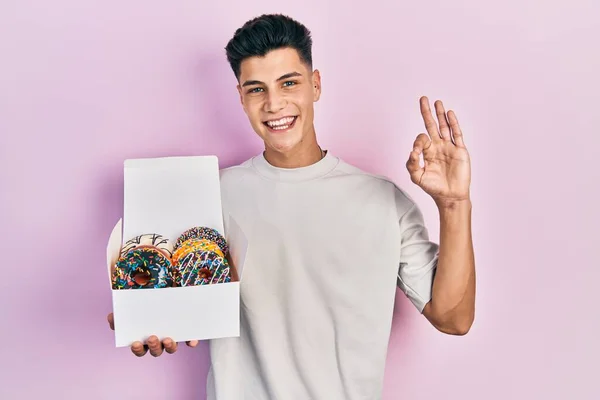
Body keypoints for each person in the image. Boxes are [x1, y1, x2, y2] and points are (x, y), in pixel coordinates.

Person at [107, 13, 476, 399]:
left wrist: (454, 204)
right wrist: (147, 321)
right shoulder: (210, 195)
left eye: (289, 83)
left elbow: (454, 318)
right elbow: (174, 294)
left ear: (315, 85)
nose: (274, 104)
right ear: (241, 98)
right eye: (256, 89)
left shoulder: (384, 202)